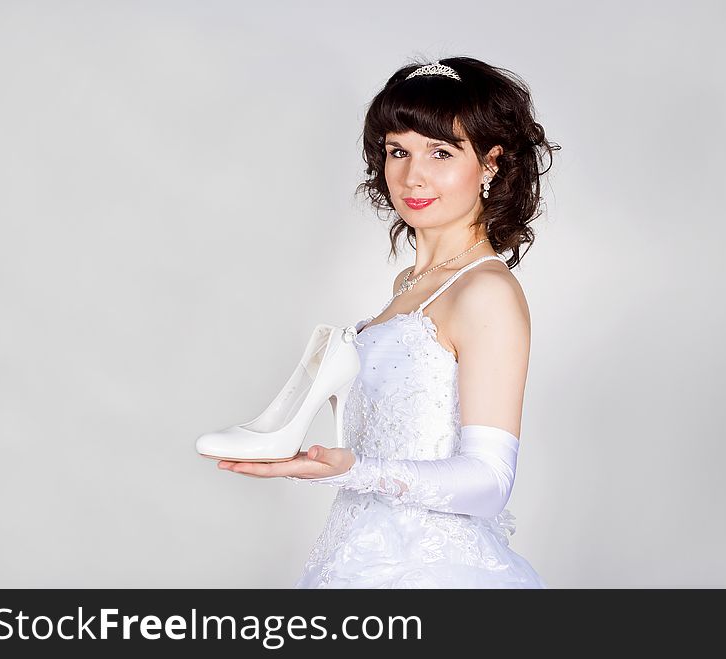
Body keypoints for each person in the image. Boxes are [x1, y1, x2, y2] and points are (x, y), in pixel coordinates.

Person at [216, 56, 561, 588]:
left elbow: (490, 482)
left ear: (491, 164)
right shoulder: (408, 285)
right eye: (397, 151)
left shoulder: (485, 291)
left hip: (433, 572)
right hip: (354, 558)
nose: (411, 175)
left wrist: (349, 469)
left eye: (440, 152)